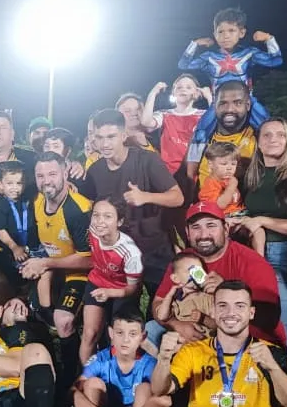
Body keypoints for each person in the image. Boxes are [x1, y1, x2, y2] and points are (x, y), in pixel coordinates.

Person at [229, 118, 287, 361]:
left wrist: (262, 220)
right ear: (258, 142)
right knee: (245, 322)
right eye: (267, 135)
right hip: (244, 252)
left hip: (277, 255)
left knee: (279, 326)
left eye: (281, 134)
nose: (273, 139)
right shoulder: (251, 176)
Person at [80, 109, 183, 312]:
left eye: (111, 137)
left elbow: (178, 197)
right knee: (122, 316)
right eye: (99, 138)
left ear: (123, 135)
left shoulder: (147, 160)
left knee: (161, 311)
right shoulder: (95, 171)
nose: (105, 144)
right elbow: (86, 202)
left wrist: (146, 197)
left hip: (154, 250)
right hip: (119, 257)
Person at [149, 202, 286, 348]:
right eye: (196, 227)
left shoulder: (252, 262)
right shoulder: (183, 261)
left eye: (211, 225)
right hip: (196, 330)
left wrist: (226, 290)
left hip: (248, 339)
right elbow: (158, 301)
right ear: (187, 233)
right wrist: (177, 325)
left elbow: (267, 317)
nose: (203, 235)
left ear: (226, 229)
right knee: (151, 330)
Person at [150, 281, 287, 407]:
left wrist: (273, 368)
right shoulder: (192, 351)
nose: (231, 313)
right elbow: (159, 390)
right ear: (213, 311)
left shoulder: (270, 353)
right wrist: (163, 359)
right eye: (223, 305)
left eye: (240, 306)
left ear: (251, 313)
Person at [17, 152, 93, 388]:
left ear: (65, 173)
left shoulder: (78, 210)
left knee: (63, 320)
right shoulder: (37, 201)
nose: (46, 181)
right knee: (29, 310)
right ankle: (45, 366)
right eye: (40, 175)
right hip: (51, 267)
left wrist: (45, 264)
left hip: (79, 273)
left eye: (52, 174)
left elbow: (90, 260)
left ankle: (70, 378)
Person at [179, 7, 281, 151]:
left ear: (242, 32)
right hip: (219, 103)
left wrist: (269, 39)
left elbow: (275, 61)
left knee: (269, 127)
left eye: (231, 30)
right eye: (220, 31)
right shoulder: (209, 57)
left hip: (246, 101)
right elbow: (183, 64)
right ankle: (193, 164)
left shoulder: (248, 53)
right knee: (200, 133)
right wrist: (194, 44)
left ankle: (274, 161)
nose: (225, 36)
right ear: (214, 34)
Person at [80, 198, 144, 364]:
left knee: (117, 338)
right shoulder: (93, 230)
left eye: (107, 216)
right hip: (97, 281)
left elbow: (132, 288)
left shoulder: (131, 253)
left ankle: (116, 372)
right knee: (89, 333)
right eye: (96, 215)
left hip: (122, 290)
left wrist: (110, 292)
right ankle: (86, 375)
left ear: (119, 221)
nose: (100, 221)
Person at [74, 312, 165, 407]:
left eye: (132, 334)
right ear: (111, 333)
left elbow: (165, 399)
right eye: (120, 333)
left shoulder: (150, 364)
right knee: (92, 384)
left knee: (145, 388)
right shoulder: (101, 359)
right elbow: (74, 390)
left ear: (143, 337)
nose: (125, 340)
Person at [184, 81, 258, 184]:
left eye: (238, 103)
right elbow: (189, 175)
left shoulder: (258, 138)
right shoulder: (200, 138)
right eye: (223, 103)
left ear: (248, 105)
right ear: (215, 105)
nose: (229, 109)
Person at [140, 76, 208, 177]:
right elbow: (146, 122)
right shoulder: (164, 114)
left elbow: (218, 123)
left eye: (188, 87)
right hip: (169, 174)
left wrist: (209, 97)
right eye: (179, 87)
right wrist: (153, 93)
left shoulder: (203, 115)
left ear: (197, 93)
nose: (183, 89)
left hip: (195, 173)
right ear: (173, 93)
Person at [152, 253, 214, 341]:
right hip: (178, 341)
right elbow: (162, 317)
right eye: (190, 270)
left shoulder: (207, 299)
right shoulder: (175, 301)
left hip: (202, 342)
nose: (196, 274)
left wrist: (203, 319)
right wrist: (169, 296)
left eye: (199, 270)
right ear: (175, 278)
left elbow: (218, 324)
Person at [0, 162, 33, 263]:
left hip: (30, 249)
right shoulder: (0, 205)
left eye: (19, 183)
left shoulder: (27, 199)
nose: (15, 187)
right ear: (1, 184)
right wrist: (14, 247)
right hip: (10, 252)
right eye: (9, 183)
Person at [198, 142, 245, 219]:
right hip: (223, 217)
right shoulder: (210, 183)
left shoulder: (229, 179)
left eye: (233, 164)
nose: (229, 168)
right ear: (210, 164)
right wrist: (231, 186)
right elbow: (220, 205)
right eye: (224, 164)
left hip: (239, 213)